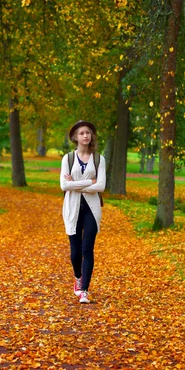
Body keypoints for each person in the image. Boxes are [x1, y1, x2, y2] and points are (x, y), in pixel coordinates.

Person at [60, 120, 106, 304]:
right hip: (72, 209)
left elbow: (101, 186)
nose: (85, 136)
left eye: (88, 133)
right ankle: (77, 277)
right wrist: (89, 183)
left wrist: (76, 185)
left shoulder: (98, 159)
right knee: (75, 252)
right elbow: (64, 185)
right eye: (82, 133)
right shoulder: (68, 159)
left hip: (92, 210)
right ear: (75, 137)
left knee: (88, 249)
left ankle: (84, 290)